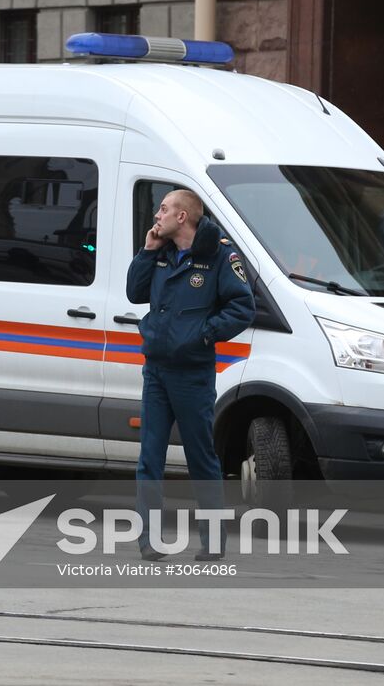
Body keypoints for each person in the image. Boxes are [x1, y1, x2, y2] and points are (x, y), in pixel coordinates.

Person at [126, 189, 255, 561]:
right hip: (157, 370)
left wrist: (204, 333)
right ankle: (148, 540)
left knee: (200, 458)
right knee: (149, 457)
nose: (157, 215)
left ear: (183, 217)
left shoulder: (219, 256)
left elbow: (242, 307)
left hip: (192, 374)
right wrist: (147, 251)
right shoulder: (162, 251)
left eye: (164, 209)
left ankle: (212, 541)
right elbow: (134, 291)